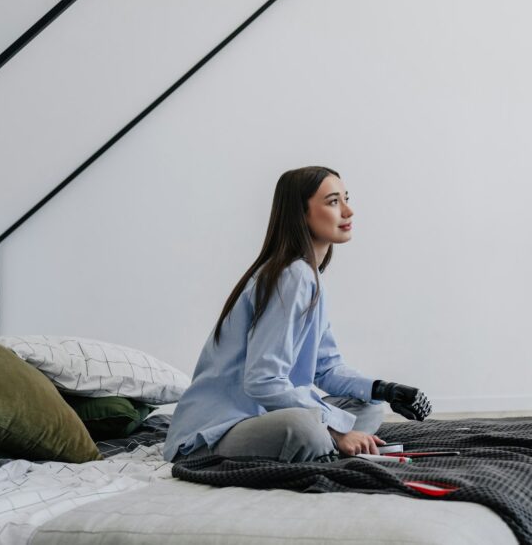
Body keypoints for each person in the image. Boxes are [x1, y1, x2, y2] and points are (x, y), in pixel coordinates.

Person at [163, 166, 431, 463]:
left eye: (346, 198)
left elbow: (326, 368)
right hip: (214, 432)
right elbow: (262, 380)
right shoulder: (292, 276)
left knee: (368, 406)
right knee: (306, 429)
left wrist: (384, 390)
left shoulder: (309, 277)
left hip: (266, 415)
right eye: (333, 202)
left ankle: (325, 440)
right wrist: (335, 429)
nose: (348, 211)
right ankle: (326, 441)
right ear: (301, 213)